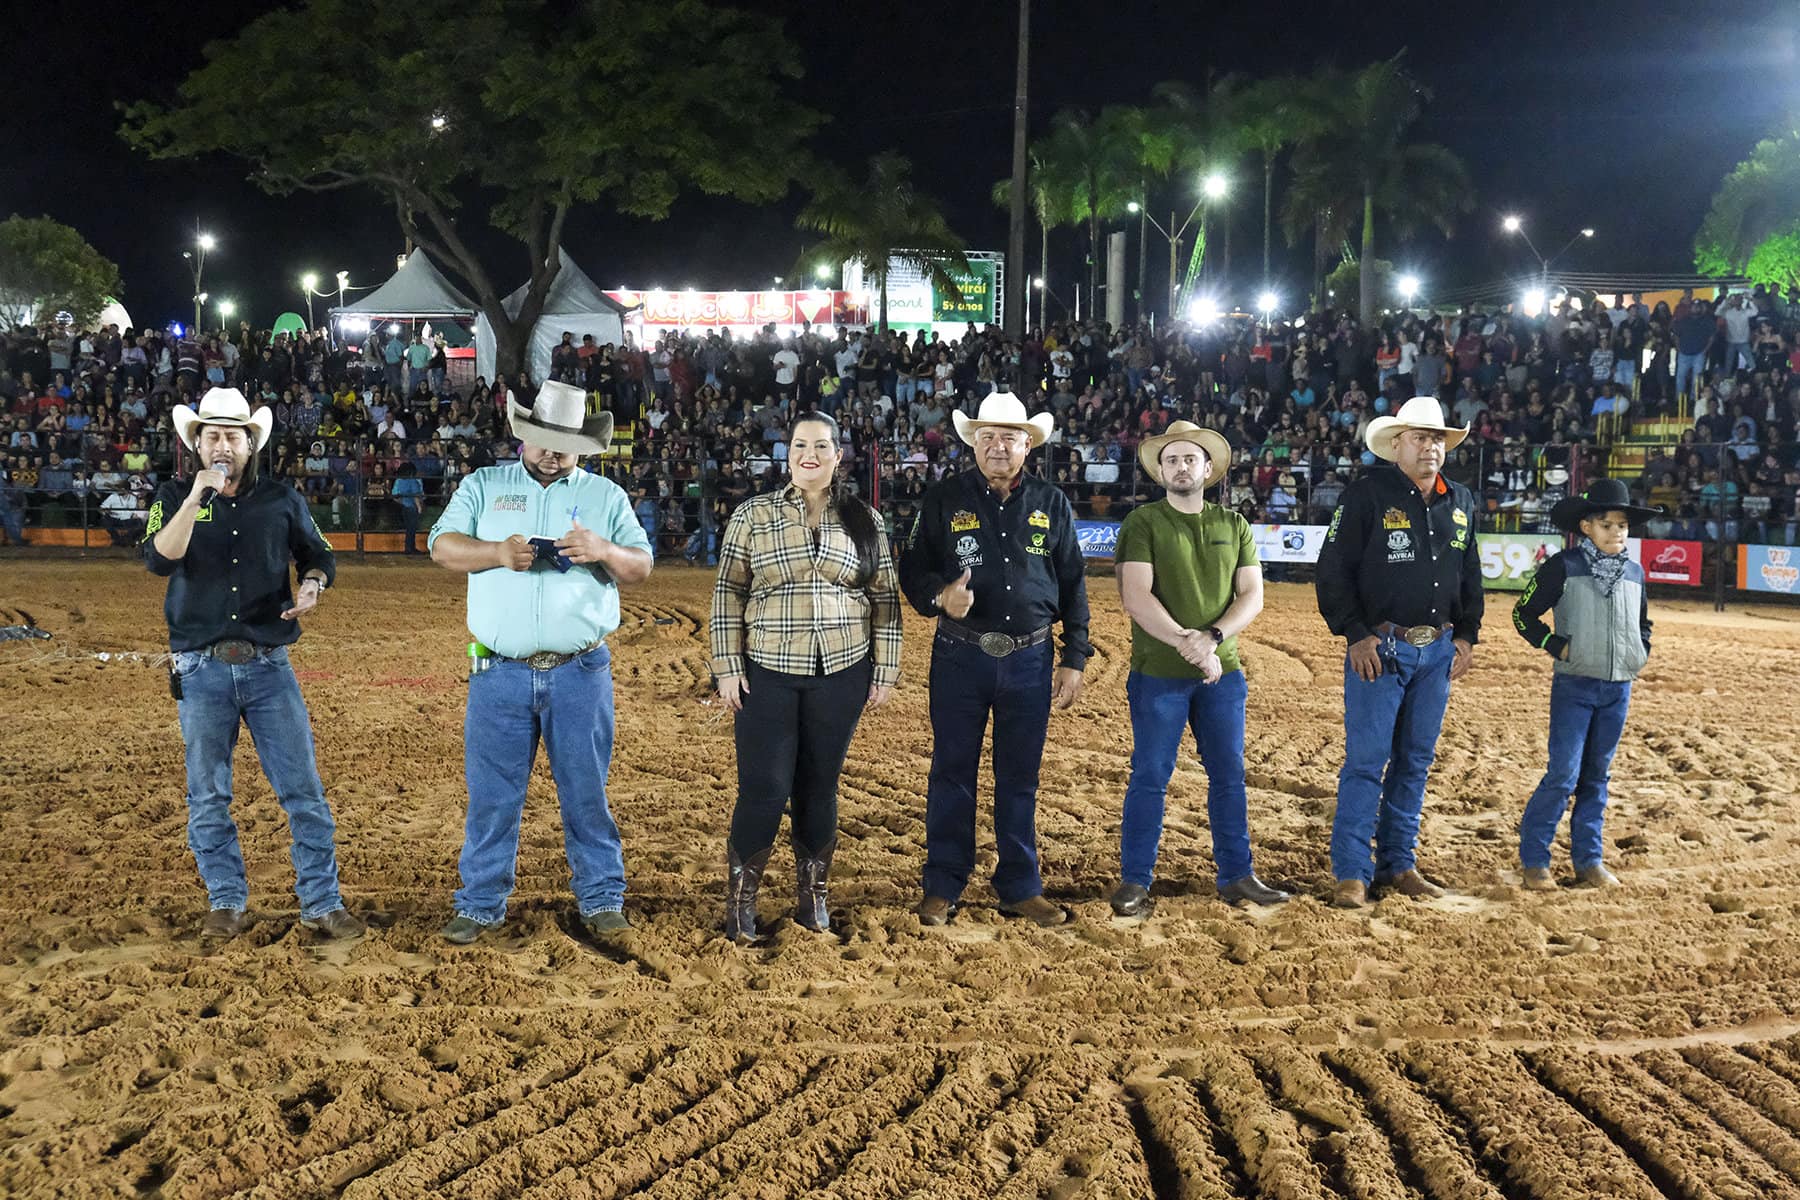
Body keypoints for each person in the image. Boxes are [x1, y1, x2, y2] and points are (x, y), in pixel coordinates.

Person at [427, 379, 654, 944]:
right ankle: (480, 903)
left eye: (563, 441)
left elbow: (641, 566)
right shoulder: (483, 485)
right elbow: (440, 545)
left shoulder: (607, 496)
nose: (552, 451)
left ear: (581, 444)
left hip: (579, 668)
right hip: (500, 668)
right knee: (492, 796)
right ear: (522, 435)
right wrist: (497, 554)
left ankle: (600, 897)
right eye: (541, 438)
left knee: (586, 792)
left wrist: (603, 551)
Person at [142, 388, 363, 941]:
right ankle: (226, 901)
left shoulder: (282, 498)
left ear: (250, 443)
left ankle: (322, 902)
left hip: (269, 665)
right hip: (200, 668)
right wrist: (196, 498)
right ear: (196, 444)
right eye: (211, 435)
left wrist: (313, 583)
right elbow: (157, 558)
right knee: (208, 794)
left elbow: (320, 552)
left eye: (231, 436)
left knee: (304, 791)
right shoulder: (170, 495)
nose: (222, 445)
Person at [898, 391, 1091, 928]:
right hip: (961, 654)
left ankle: (1020, 884)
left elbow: (1074, 582)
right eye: (988, 437)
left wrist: (1074, 656)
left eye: (1009, 437)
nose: (998, 446)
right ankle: (944, 882)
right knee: (951, 771)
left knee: (1020, 775)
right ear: (973, 443)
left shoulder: (1051, 502)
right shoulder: (942, 499)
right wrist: (942, 597)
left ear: (1027, 445)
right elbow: (912, 571)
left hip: (1031, 659)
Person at [709, 411, 902, 943]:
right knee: (764, 787)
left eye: (820, 445)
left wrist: (885, 666)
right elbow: (728, 593)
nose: (808, 454)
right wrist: (727, 666)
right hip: (766, 671)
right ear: (787, 453)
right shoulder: (753, 516)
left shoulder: (866, 520)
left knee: (820, 786)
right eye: (798, 445)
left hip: (842, 671)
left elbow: (884, 596)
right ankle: (741, 902)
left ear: (838, 456)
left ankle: (813, 898)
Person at [1109, 422, 1288, 917]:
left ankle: (1237, 875)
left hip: (1220, 671)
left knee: (1229, 775)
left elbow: (1253, 595)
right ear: (1161, 471)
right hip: (1162, 673)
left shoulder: (1235, 525)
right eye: (1172, 460)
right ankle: (1135, 879)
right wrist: (1191, 646)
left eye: (1190, 459)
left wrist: (1209, 640)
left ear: (1208, 469)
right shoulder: (1143, 522)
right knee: (1150, 775)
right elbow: (1134, 595)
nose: (1181, 467)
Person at [1315, 396, 1483, 909]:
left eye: (1436, 438)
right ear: (1396, 445)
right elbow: (1333, 569)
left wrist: (1468, 633)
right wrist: (1355, 634)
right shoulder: (1366, 495)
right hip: (1381, 648)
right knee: (1367, 761)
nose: (1430, 446)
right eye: (1419, 437)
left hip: (1436, 652)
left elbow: (1469, 570)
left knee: (1414, 761)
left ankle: (1398, 863)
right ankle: (1351, 870)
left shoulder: (1462, 501)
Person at [1511, 479, 1660, 890]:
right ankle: (1535, 861)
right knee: (1562, 774)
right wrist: (1553, 644)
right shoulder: (1563, 565)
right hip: (1574, 687)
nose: (1617, 532)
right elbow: (1523, 615)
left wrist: (1639, 652)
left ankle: (1589, 860)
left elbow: (1643, 623)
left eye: (1623, 526)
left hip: (1618, 689)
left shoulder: (1635, 573)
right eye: (1607, 524)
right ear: (1587, 526)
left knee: (1597, 776)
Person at [392, 462, 425, 554]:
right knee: (412, 529)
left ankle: (408, 547)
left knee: (408, 528)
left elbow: (396, 496)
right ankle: (410, 548)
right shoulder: (413, 481)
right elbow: (415, 495)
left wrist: (402, 502)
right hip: (412, 507)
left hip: (404, 506)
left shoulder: (400, 481)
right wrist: (419, 507)